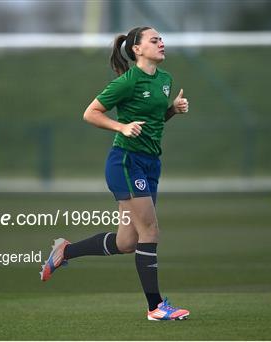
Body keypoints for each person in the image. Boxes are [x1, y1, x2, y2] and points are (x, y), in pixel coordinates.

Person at [40, 26, 190, 321]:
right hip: (125, 161)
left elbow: (152, 119)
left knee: (127, 243)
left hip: (150, 164)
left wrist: (172, 109)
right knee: (151, 231)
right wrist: (121, 126)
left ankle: (65, 252)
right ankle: (156, 307)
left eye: (161, 39)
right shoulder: (127, 81)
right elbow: (90, 113)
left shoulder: (165, 80)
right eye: (154, 40)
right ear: (137, 49)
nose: (161, 43)